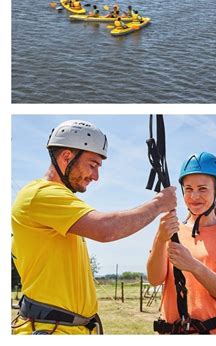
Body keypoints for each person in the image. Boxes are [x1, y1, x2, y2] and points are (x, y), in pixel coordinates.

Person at [11, 120, 177, 335]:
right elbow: (106, 229)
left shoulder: (60, 204)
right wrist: (158, 204)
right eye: (92, 165)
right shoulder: (41, 195)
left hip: (69, 328)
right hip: (52, 329)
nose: (96, 176)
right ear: (67, 156)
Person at [147, 152, 216, 335]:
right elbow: (154, 279)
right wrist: (161, 239)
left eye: (202, 189)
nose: (194, 196)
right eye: (188, 189)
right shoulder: (170, 229)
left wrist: (193, 266)